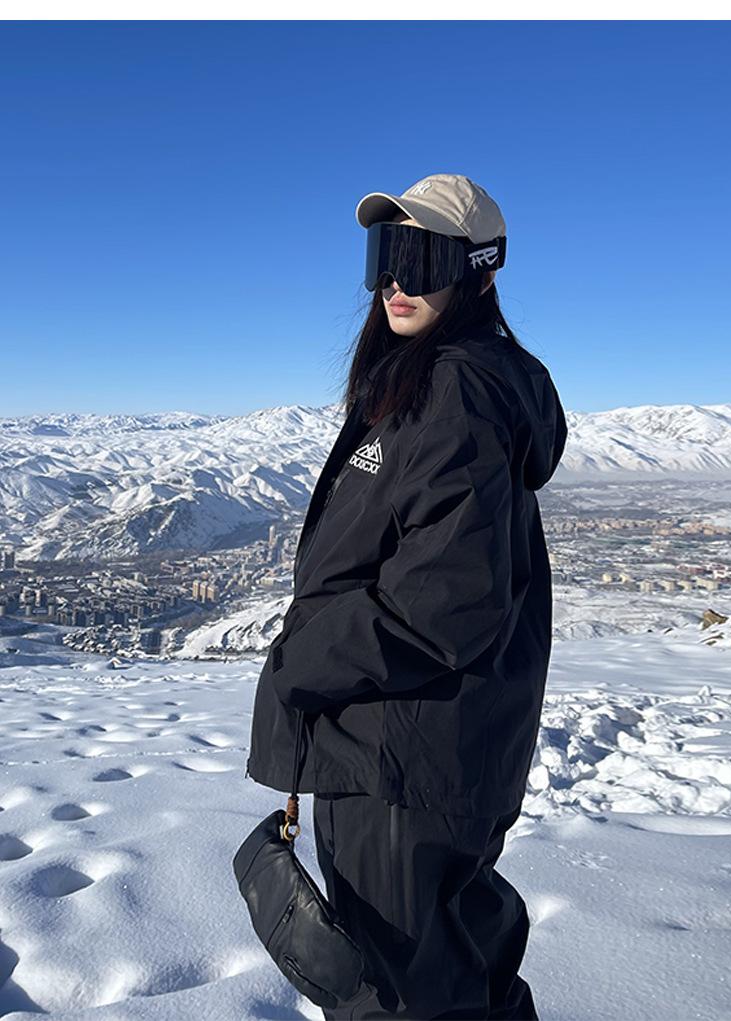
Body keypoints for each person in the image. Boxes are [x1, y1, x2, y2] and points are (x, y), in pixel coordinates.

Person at [245, 172, 568, 1019]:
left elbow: (442, 604)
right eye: (385, 255)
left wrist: (298, 663)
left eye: (422, 258)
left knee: (399, 999)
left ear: (480, 272)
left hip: (399, 764)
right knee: (464, 977)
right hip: (427, 751)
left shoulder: (454, 393)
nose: (396, 280)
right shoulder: (441, 385)